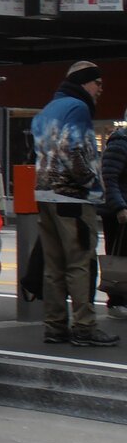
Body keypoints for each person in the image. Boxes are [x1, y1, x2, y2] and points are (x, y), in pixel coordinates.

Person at [31, 61, 119, 346]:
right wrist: (89, 180)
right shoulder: (78, 108)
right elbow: (73, 149)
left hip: (44, 195)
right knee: (80, 262)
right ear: (84, 82)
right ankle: (85, 327)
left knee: (53, 265)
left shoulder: (48, 109)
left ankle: (55, 327)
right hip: (72, 197)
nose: (101, 90)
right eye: (98, 84)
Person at [99, 109, 127, 320]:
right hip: (119, 213)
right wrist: (119, 207)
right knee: (119, 257)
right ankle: (117, 301)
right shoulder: (120, 143)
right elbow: (109, 178)